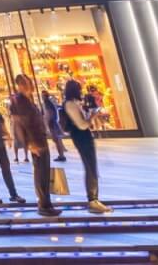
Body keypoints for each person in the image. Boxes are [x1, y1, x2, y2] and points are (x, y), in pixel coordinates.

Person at [10, 75, 60, 217]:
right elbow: (20, 124)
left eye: (29, 83)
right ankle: (43, 205)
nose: (30, 86)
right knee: (40, 173)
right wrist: (29, 144)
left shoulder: (27, 99)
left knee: (44, 172)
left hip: (40, 138)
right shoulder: (19, 100)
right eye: (26, 83)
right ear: (20, 85)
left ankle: (47, 204)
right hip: (35, 142)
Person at [62, 79, 108, 213]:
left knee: (91, 166)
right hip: (81, 136)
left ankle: (94, 199)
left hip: (83, 136)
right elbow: (81, 125)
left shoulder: (74, 103)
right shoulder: (70, 104)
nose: (81, 91)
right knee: (90, 166)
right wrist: (92, 117)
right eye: (79, 88)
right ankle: (92, 200)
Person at [41, 88, 68, 161]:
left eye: (42, 95)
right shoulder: (50, 102)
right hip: (54, 122)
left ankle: (61, 155)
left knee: (56, 139)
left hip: (52, 123)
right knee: (57, 139)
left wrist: (46, 124)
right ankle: (61, 155)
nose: (42, 97)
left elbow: (48, 114)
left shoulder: (47, 103)